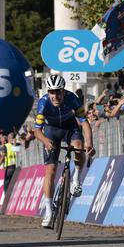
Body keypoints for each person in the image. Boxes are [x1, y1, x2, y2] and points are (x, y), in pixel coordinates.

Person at [31, 74, 95, 228]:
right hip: (51, 132)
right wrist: (46, 141)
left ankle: (76, 180)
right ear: (48, 92)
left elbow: (84, 123)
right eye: (52, 92)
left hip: (70, 128)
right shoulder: (43, 103)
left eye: (58, 91)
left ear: (63, 91)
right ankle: (48, 211)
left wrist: (90, 144)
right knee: (51, 170)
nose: (55, 95)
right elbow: (37, 131)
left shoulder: (72, 98)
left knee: (78, 145)